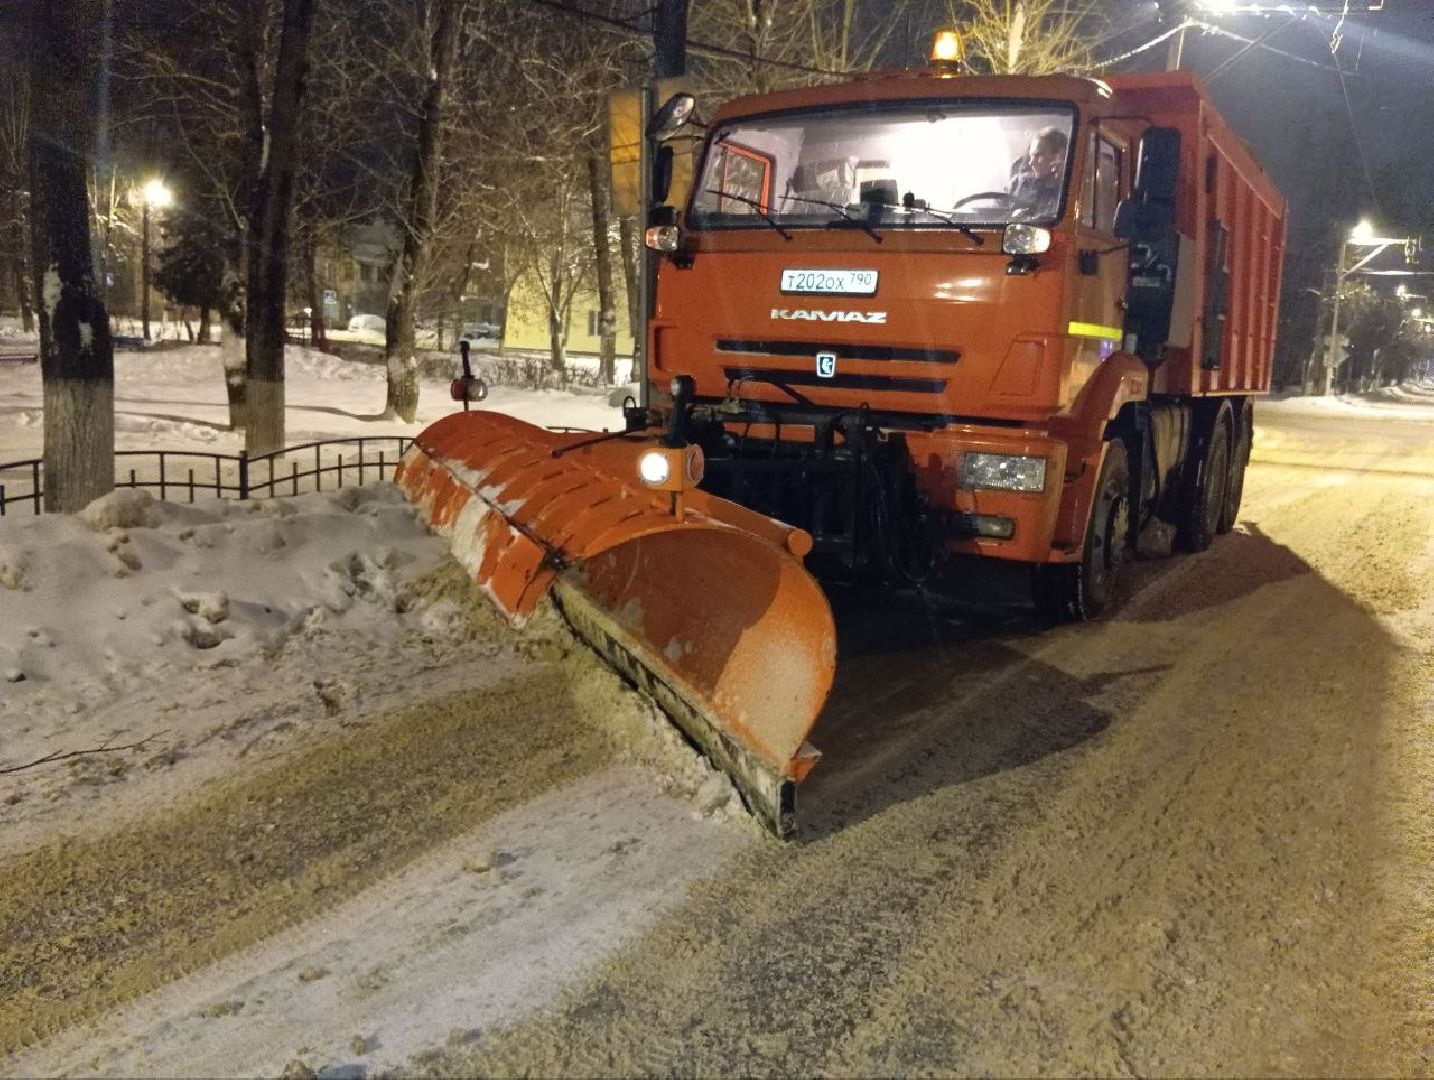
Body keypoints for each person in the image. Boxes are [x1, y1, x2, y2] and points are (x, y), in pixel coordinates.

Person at [1009, 127, 1069, 218]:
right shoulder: (1017, 183)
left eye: (1038, 156)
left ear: (1058, 156)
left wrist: (1063, 178)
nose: (1031, 162)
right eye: (1031, 156)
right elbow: (995, 210)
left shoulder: (1069, 191)